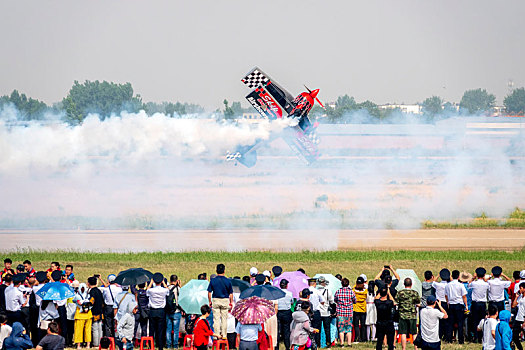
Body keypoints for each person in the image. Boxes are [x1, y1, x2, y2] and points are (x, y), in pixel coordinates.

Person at [207, 264, 233, 340]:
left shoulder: (213, 280)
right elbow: (231, 293)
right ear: (224, 271)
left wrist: (210, 301)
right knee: (224, 319)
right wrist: (231, 302)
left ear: (216, 271)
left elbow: (209, 292)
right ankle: (224, 334)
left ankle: (217, 334)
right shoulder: (228, 281)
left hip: (216, 300)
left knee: (216, 319)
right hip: (225, 300)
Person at [395, 277, 420, 350]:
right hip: (412, 315)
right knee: (414, 333)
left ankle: (404, 348)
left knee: (403, 333)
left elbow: (396, 301)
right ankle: (416, 348)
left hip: (402, 315)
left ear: (404, 284)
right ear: (411, 284)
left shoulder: (400, 293)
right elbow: (418, 301)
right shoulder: (414, 293)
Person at [444, 270, 468, 344]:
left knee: (450, 323)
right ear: (458, 277)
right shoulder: (460, 285)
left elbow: (446, 295)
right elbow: (464, 296)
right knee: (460, 323)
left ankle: (449, 339)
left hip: (451, 304)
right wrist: (466, 305)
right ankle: (461, 340)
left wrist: (448, 302)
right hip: (459, 304)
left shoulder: (448, 285)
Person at [147, 273, 169, 350]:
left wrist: (150, 283)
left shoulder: (151, 291)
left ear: (154, 281)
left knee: (152, 330)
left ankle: (151, 346)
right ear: (161, 281)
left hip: (152, 311)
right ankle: (160, 347)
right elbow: (168, 291)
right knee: (160, 330)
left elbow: (147, 291)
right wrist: (164, 283)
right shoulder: (164, 290)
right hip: (161, 311)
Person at [334, 278, 356, 347]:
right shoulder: (351, 292)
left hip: (340, 313)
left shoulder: (338, 291)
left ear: (341, 284)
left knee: (341, 329)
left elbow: (335, 300)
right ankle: (349, 343)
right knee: (349, 329)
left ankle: (342, 343)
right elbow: (355, 301)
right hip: (349, 313)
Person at [470, 267, 489, 343]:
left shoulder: (474, 283)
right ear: (484, 275)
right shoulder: (486, 284)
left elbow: (469, 284)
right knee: (483, 320)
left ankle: (476, 337)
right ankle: (482, 337)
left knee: (475, 320)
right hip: (483, 303)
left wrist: (473, 278)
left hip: (475, 303)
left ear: (476, 275)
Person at [73, 285, 93, 350]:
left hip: (79, 314)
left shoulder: (77, 296)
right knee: (88, 330)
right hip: (88, 314)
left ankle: (79, 345)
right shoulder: (88, 295)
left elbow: (74, 301)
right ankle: (88, 345)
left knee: (78, 330)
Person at [166, 275, 182, 349]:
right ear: (176, 280)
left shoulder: (167, 288)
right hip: (177, 311)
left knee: (168, 329)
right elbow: (181, 298)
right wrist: (180, 286)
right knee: (176, 330)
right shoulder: (178, 288)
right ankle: (175, 345)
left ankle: (168, 345)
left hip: (168, 311)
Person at [307, 278, 325, 346]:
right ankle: (317, 343)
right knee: (317, 328)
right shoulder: (317, 291)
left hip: (308, 312)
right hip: (316, 312)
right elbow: (322, 301)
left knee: (309, 328)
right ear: (315, 284)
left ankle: (309, 343)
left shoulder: (306, 290)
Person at [317, 276, 334, 347]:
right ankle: (328, 343)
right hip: (326, 312)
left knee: (318, 329)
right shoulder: (328, 291)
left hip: (318, 312)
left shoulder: (316, 291)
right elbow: (332, 301)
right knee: (327, 329)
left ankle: (318, 344)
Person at [276, 279, 293, 350]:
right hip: (287, 312)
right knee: (286, 330)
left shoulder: (277, 293)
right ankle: (287, 346)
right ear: (286, 286)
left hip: (279, 312)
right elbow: (291, 302)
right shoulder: (289, 293)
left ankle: (277, 346)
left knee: (278, 330)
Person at [352, 277, 367, 343]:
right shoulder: (365, 292)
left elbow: (353, 288)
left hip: (356, 309)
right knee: (363, 325)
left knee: (356, 325)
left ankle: (357, 337)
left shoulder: (354, 291)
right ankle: (363, 338)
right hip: (363, 309)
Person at [511, 282, 525, 350]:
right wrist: (516, 297)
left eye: (521, 288)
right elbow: (513, 305)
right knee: (515, 336)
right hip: (518, 318)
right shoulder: (520, 297)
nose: (519, 290)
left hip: (523, 319)